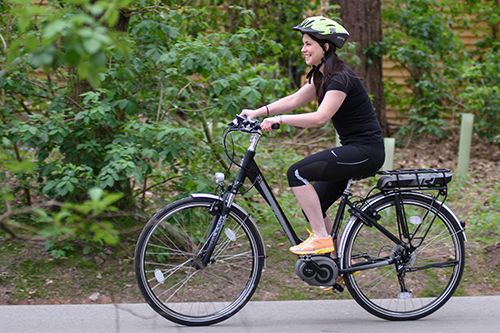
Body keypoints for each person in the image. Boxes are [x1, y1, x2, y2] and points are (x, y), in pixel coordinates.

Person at [240, 16, 385, 256]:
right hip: (354, 149)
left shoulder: (340, 78)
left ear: (325, 47)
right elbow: (295, 100)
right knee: (314, 204)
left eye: (308, 44)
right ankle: (338, 262)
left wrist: (279, 120)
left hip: (366, 151)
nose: (303, 49)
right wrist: (256, 112)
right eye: (303, 43)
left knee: (297, 173)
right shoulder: (321, 76)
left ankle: (321, 238)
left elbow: (320, 118)